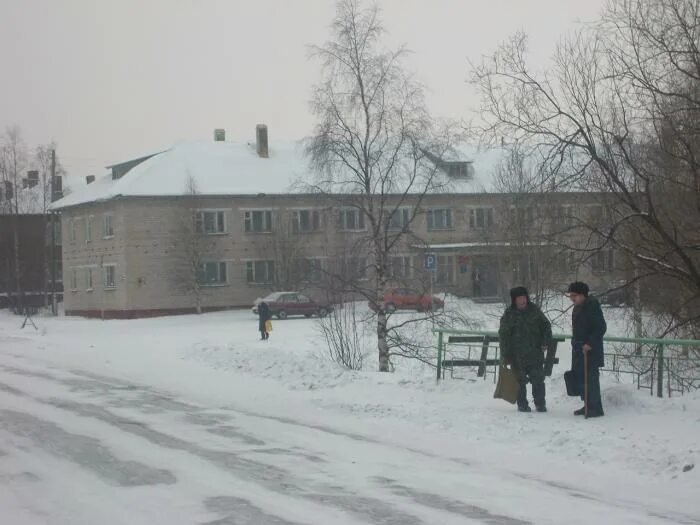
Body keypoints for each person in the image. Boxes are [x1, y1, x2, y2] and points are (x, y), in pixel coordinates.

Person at [499, 286, 553, 413]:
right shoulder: (509, 314)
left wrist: (545, 342)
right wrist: (505, 354)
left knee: (538, 379)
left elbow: (546, 327)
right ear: (514, 300)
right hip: (516, 355)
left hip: (535, 353)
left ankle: (540, 404)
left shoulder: (535, 311)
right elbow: (503, 335)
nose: (523, 300)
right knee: (519, 381)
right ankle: (522, 404)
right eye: (519, 298)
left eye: (524, 297)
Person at [568, 281, 606, 417]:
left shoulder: (591, 306)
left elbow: (600, 328)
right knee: (582, 378)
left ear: (583, 295)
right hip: (580, 349)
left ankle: (595, 408)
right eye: (571, 295)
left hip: (590, 350)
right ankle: (587, 405)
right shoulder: (578, 307)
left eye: (574, 295)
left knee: (591, 379)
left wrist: (590, 343)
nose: (572, 298)